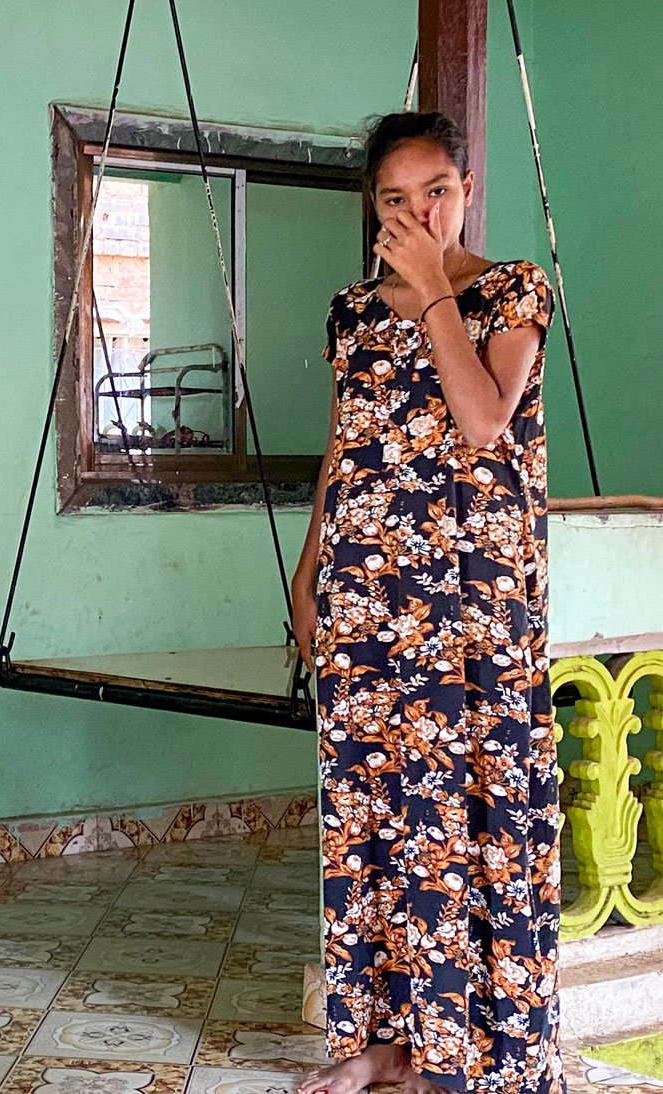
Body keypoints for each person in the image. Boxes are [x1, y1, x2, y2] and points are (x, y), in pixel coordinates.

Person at [290, 113, 562, 1094]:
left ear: (466, 183)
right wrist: (310, 567)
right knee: (375, 815)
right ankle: (383, 1041)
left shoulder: (507, 288)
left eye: (434, 190)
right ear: (371, 206)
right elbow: (343, 445)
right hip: (367, 598)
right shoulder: (350, 312)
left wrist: (435, 287)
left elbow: (484, 420)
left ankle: (467, 1051)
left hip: (468, 609)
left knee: (461, 821)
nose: (417, 212)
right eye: (395, 199)